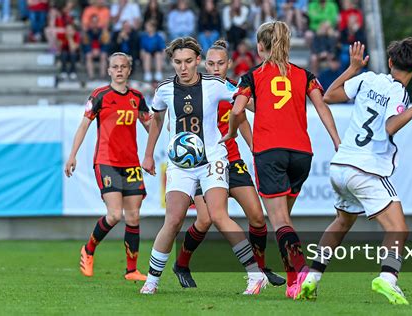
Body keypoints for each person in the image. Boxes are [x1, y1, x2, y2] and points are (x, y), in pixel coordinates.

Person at [221, 21, 341, 300]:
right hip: (301, 154)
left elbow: (237, 109)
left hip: (270, 152)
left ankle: (301, 271)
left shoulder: (252, 76)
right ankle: (292, 285)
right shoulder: (304, 75)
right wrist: (336, 140)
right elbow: (321, 106)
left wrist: (229, 132)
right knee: (284, 221)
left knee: (279, 221)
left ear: (260, 46)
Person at [306, 39, 412, 305]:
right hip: (366, 169)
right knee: (399, 229)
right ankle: (388, 279)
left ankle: (312, 276)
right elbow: (390, 127)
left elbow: (329, 95)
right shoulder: (400, 93)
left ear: (389, 62)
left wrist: (352, 68)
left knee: (341, 222)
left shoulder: (367, 79)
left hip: (340, 166)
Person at [140, 37, 267, 295]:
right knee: (173, 219)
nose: (183, 67)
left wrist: (265, 108)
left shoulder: (215, 85)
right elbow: (156, 119)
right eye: (177, 62)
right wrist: (148, 154)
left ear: (198, 61)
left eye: (188, 61)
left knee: (218, 216)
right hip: (180, 164)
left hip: (213, 159)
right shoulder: (164, 89)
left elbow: (243, 102)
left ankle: (255, 275)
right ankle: (151, 281)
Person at [171, 39, 285, 288]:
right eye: (210, 63)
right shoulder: (198, 89)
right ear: (203, 64)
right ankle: (181, 264)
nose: (215, 68)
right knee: (205, 220)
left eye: (220, 63)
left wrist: (256, 149)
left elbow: (243, 119)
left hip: (232, 161)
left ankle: (261, 269)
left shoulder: (234, 89)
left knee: (257, 217)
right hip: (206, 164)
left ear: (229, 64)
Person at [64, 52, 151, 281]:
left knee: (133, 216)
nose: (120, 70)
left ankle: (131, 270)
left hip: (131, 163)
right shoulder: (100, 96)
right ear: (109, 70)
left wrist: (153, 152)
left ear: (129, 70)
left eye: (124, 66)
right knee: (114, 215)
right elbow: (83, 126)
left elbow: (149, 125)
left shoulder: (137, 98)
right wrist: (72, 155)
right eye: (115, 67)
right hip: (107, 161)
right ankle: (89, 249)